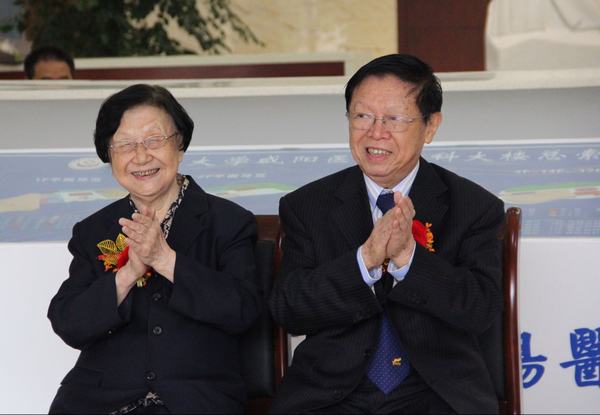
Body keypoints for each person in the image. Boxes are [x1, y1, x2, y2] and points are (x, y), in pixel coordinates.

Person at [268, 54, 505, 414]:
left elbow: (480, 310)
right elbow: (290, 309)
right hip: (332, 395)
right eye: (362, 116)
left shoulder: (473, 207)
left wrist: (409, 258)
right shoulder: (307, 205)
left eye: (394, 119)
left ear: (430, 126)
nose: (375, 132)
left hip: (435, 391)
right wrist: (364, 261)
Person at [47, 84, 261, 413]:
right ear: (109, 155)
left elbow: (242, 311)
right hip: (100, 400)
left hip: (195, 399)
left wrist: (165, 260)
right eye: (125, 144)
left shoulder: (228, 222)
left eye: (154, 140)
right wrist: (127, 275)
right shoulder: (93, 230)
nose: (141, 156)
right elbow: (69, 323)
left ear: (180, 145)